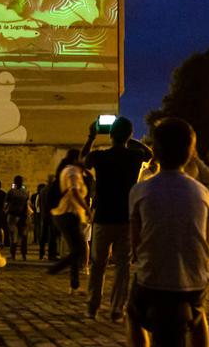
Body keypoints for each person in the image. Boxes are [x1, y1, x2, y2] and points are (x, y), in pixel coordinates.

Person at [128, 118, 209, 347]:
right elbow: (206, 238)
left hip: (152, 281)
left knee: (133, 314)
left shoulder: (140, 191)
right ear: (190, 152)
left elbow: (136, 242)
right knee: (198, 315)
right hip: (193, 281)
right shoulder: (203, 192)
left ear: (155, 151)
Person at [82, 117, 146, 321]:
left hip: (103, 216)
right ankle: (117, 308)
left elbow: (83, 160)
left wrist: (92, 136)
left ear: (110, 136)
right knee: (122, 266)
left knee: (98, 265)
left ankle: (92, 307)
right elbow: (150, 153)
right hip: (126, 217)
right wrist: (130, 138)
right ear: (129, 135)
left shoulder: (100, 157)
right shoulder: (135, 157)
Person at [46, 149, 92, 293]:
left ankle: (74, 285)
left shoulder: (70, 170)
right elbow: (74, 192)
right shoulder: (72, 171)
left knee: (75, 250)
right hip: (68, 214)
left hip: (68, 214)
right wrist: (87, 209)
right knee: (80, 250)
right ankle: (56, 268)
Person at [5, 175, 30, 261]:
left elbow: (7, 202)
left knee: (13, 236)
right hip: (22, 215)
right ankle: (23, 255)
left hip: (12, 215)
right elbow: (26, 203)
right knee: (23, 236)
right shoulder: (25, 192)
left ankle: (13, 254)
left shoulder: (11, 192)